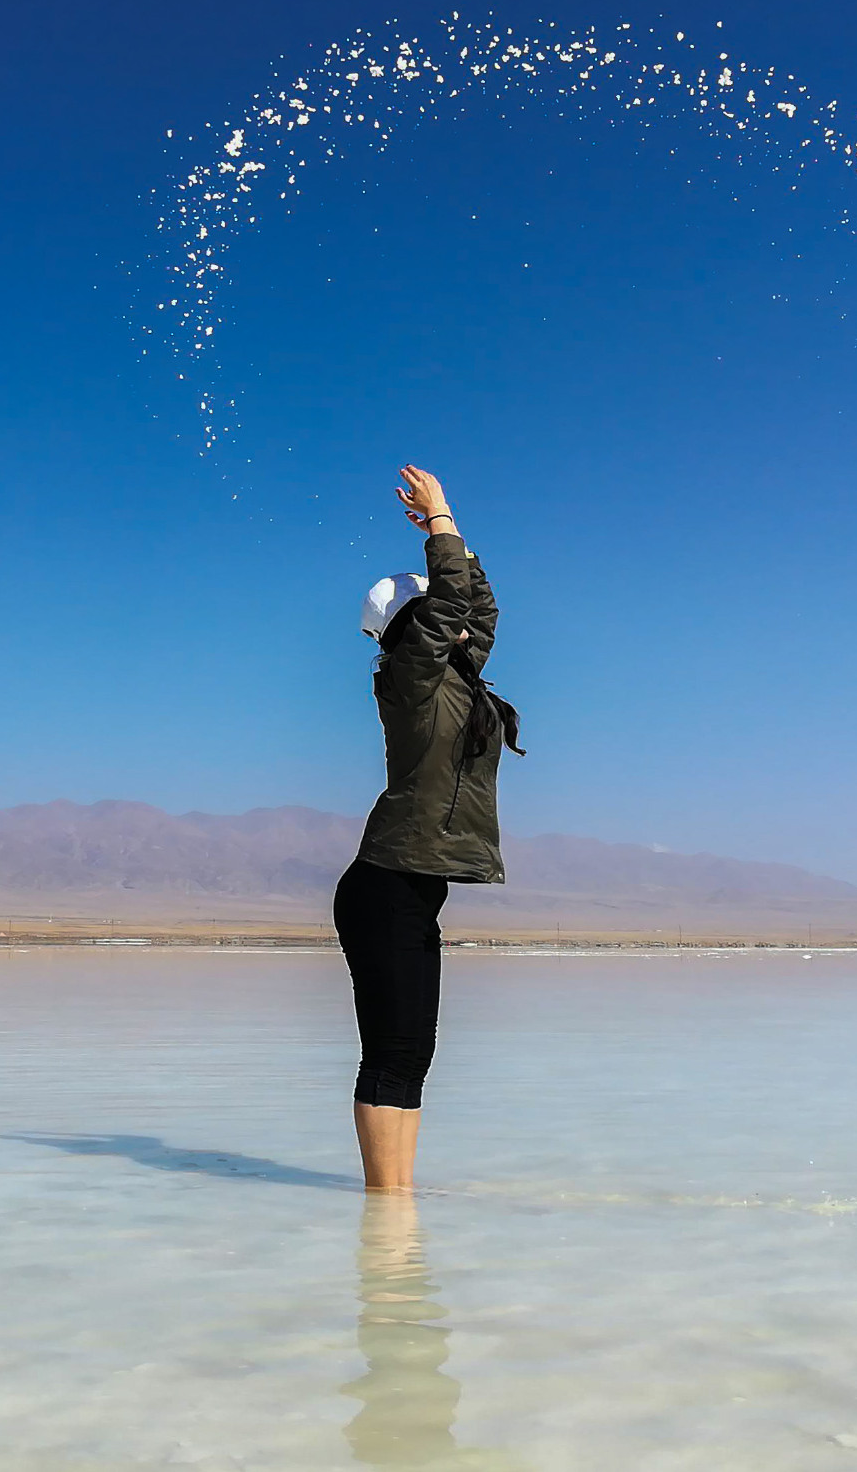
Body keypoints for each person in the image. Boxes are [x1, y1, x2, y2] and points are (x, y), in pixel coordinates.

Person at [335, 465, 521, 1190]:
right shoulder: (410, 673)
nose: (459, 623)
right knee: (390, 1049)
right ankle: (386, 1207)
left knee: (414, 1050)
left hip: (415, 889)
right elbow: (450, 610)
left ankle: (396, 1200)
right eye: (434, 614)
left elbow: (480, 610)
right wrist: (440, 519)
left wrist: (458, 545)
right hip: (384, 886)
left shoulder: (453, 678)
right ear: (408, 629)